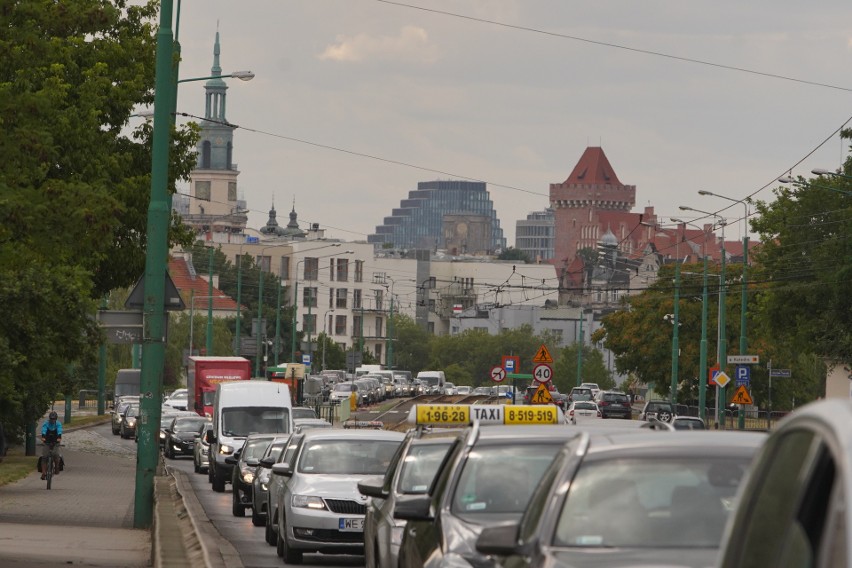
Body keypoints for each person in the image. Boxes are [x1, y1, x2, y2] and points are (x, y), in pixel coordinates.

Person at [40, 411, 63, 480]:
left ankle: (56, 466)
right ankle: (43, 473)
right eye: (51, 419)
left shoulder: (58, 424)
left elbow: (59, 430)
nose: (52, 420)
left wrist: (59, 437)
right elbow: (44, 430)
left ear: (56, 419)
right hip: (46, 441)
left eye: (54, 419)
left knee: (56, 454)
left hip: (56, 441)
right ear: (49, 418)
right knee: (44, 457)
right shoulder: (46, 423)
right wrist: (43, 436)